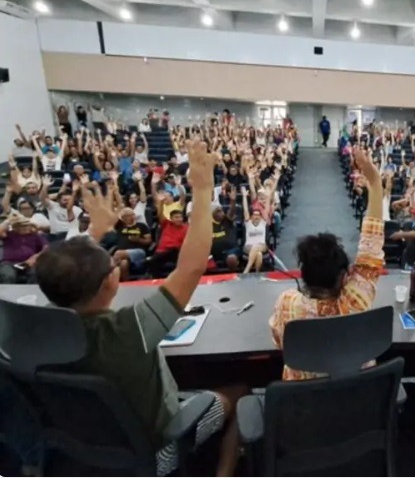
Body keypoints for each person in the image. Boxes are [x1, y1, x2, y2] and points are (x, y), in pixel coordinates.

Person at [34, 140, 243, 476]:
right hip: (154, 455)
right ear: (111, 283)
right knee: (240, 391)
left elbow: (58, 274)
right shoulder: (133, 328)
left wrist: (94, 233)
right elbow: (190, 268)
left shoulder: (39, 327)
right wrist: (203, 190)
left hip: (83, 450)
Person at [269, 148, 384, 381]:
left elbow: (278, 341)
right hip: (359, 401)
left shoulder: (287, 304)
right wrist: (375, 180)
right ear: (344, 278)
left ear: (303, 275)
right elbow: (371, 248)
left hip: (304, 410)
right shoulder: (356, 301)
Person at [0, 214, 47, 284]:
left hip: (29, 263)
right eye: (21, 225)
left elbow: (46, 247)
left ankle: (32, 294)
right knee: (8, 275)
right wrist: (9, 220)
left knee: (35, 274)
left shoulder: (35, 236)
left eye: (26, 225)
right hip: (9, 263)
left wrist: (36, 257)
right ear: (16, 227)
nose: (24, 227)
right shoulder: (10, 234)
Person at [112, 207, 152, 281]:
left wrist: (138, 240)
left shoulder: (141, 226)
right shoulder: (120, 227)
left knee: (118, 253)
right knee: (124, 264)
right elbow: (113, 218)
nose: (130, 217)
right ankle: (126, 284)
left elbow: (149, 241)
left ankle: (106, 276)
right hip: (123, 254)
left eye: (131, 214)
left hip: (138, 251)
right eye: (127, 215)